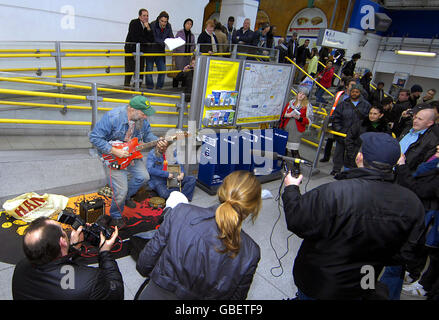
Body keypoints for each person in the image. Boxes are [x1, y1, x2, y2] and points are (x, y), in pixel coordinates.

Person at [282, 132, 426, 300]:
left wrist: (291, 188)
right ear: (395, 163)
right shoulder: (412, 203)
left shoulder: (334, 192)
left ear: (359, 157)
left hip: (321, 281)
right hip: (366, 279)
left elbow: (297, 221)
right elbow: (409, 252)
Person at [136, 170, 262, 299]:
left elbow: (144, 264)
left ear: (221, 191)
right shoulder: (251, 252)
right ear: (253, 207)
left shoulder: (181, 212)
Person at [89, 95, 168, 229]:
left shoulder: (141, 120)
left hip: (132, 154)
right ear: (132, 109)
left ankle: (126, 197)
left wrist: (158, 141)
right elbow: (94, 137)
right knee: (120, 190)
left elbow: (148, 135)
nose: (145, 117)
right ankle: (116, 216)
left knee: (143, 177)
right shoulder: (113, 117)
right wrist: (114, 150)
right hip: (113, 156)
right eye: (143, 113)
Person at [12, 217, 123, 300]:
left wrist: (73, 248)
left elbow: (64, 278)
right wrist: (105, 253)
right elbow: (116, 292)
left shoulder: (20, 268)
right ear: (62, 242)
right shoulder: (91, 280)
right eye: (63, 230)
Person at [396, 145, 439, 300]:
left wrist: (402, 167)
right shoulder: (434, 163)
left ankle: (423, 283)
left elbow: (421, 188)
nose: (438, 147)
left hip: (428, 216)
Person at [331, 84, 371, 175]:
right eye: (353, 91)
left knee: (353, 154)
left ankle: (350, 171)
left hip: (357, 136)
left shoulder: (366, 105)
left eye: (357, 92)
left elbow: (368, 120)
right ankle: (336, 169)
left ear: (360, 93)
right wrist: (339, 130)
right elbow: (336, 118)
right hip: (343, 134)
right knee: (338, 152)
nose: (354, 93)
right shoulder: (343, 104)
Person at [398, 107, 439, 173]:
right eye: (415, 117)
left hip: (401, 175)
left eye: (420, 119)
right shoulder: (408, 128)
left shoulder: (431, 142)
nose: (415, 120)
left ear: (429, 123)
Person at [124, 9, 155, 87]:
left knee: (140, 69)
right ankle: (126, 86)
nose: (146, 17)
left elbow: (151, 39)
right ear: (139, 16)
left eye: (147, 15)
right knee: (129, 68)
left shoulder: (148, 25)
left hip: (141, 50)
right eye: (144, 15)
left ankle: (138, 86)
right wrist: (146, 42)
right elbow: (136, 37)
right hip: (131, 49)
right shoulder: (134, 23)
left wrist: (148, 28)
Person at [279, 87, 311, 161]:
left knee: (294, 151)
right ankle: (283, 164)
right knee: (284, 149)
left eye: (303, 94)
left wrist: (299, 118)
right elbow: (283, 114)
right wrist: (288, 115)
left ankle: (297, 168)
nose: (300, 95)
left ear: (305, 97)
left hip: (296, 132)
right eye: (300, 93)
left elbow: (309, 120)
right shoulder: (291, 103)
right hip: (286, 129)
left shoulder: (307, 106)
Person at [147, 11, 174, 90]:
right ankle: (150, 88)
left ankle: (159, 88)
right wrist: (165, 41)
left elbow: (171, 37)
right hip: (150, 51)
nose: (163, 23)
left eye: (165, 22)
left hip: (160, 51)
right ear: (159, 19)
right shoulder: (152, 24)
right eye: (162, 21)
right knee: (149, 71)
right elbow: (154, 38)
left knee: (162, 70)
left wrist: (174, 41)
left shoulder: (169, 26)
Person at [172, 18, 195, 88]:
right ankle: (175, 87)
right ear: (184, 24)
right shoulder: (179, 33)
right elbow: (175, 44)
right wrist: (173, 56)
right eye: (187, 23)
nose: (189, 25)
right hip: (179, 56)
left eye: (190, 24)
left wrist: (190, 51)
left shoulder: (192, 35)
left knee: (186, 72)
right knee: (178, 72)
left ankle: (183, 87)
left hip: (187, 57)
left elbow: (193, 45)